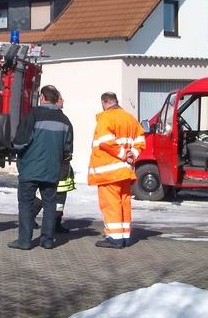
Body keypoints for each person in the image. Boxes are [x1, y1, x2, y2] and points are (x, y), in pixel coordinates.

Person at [9, 85, 73, 250]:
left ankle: (24, 241)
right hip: (52, 170)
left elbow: (20, 142)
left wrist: (16, 151)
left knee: (25, 204)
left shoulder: (33, 115)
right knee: (50, 204)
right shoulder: (65, 121)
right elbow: (68, 150)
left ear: (43, 98)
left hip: (30, 169)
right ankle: (47, 240)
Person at [88, 92, 145, 249]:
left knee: (110, 204)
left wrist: (123, 155)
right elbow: (140, 140)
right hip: (125, 171)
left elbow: (105, 142)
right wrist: (131, 155)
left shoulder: (105, 118)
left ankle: (114, 238)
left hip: (109, 172)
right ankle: (124, 235)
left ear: (105, 102)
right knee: (123, 203)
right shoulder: (130, 118)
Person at [31, 95, 75, 233]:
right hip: (58, 163)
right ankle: (33, 218)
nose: (64, 101)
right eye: (61, 99)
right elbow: (67, 144)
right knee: (45, 193)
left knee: (59, 196)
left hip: (58, 163)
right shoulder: (62, 120)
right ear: (56, 101)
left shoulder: (59, 119)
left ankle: (55, 222)